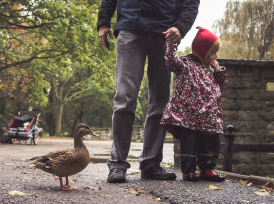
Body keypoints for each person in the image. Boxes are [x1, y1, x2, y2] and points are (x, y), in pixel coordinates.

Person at [97, 1, 200, 183]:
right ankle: (117, 165)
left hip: (166, 32)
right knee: (124, 99)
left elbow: (191, 2)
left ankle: (150, 164)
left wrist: (181, 26)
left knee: (161, 102)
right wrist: (104, 21)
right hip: (131, 25)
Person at [160, 26, 227, 182]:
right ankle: (188, 170)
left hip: (210, 116)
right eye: (213, 52)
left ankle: (207, 168)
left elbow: (222, 84)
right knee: (190, 143)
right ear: (202, 51)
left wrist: (219, 71)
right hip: (190, 117)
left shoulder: (212, 69)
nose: (215, 56)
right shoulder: (186, 64)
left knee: (210, 144)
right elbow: (170, 61)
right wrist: (171, 43)